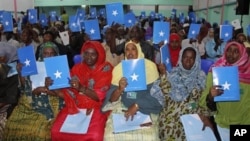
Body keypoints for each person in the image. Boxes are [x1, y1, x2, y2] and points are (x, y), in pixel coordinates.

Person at [50, 41, 113, 141]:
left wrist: (81, 88)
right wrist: (52, 85)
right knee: (56, 131)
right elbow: (67, 92)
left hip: (96, 106)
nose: (89, 57)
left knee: (94, 135)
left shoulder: (105, 69)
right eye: (86, 53)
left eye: (93, 54)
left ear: (99, 54)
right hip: (75, 105)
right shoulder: (77, 68)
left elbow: (98, 97)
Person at [102, 40, 164, 141]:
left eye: (133, 49)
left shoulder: (150, 67)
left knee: (150, 137)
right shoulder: (119, 69)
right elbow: (112, 100)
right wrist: (119, 89)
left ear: (138, 51)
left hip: (146, 107)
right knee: (110, 136)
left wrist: (136, 105)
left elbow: (157, 95)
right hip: (123, 107)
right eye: (127, 50)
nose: (130, 53)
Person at [3, 42, 64, 141]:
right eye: (45, 53)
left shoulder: (60, 68)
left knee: (39, 132)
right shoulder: (34, 65)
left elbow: (63, 93)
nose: (48, 56)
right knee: (11, 124)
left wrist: (44, 89)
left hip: (51, 100)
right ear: (41, 54)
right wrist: (20, 72)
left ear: (56, 54)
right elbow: (25, 87)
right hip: (30, 99)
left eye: (51, 53)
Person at [199, 41, 250, 141]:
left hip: (243, 123)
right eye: (229, 50)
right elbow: (203, 101)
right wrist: (210, 95)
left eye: (236, 51)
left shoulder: (248, 73)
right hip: (221, 122)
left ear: (243, 54)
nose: (231, 54)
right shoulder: (215, 70)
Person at [158, 46, 209, 140]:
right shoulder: (173, 73)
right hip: (173, 111)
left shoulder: (201, 76)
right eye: (185, 57)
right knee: (167, 128)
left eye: (191, 58)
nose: (188, 60)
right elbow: (166, 94)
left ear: (196, 60)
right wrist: (163, 75)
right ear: (181, 58)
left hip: (194, 111)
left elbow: (204, 99)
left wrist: (205, 115)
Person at [0, 42, 19, 140]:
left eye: (1, 56)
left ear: (7, 57)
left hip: (4, 107)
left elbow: (10, 97)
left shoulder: (12, 73)